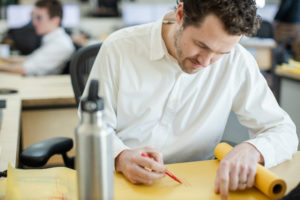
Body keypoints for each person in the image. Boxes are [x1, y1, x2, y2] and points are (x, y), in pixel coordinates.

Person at [83, 0, 298, 199]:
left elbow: (283, 130)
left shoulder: (237, 61)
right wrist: (120, 156)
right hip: (121, 184)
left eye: (221, 52)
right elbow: (93, 127)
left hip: (197, 187)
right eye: (201, 45)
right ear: (180, 15)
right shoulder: (120, 48)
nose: (205, 62)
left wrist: (254, 150)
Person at [0, 0, 75, 76]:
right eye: (34, 18)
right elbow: (30, 59)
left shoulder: (60, 44)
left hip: (40, 84)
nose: (34, 22)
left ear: (55, 20)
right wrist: (4, 59)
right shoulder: (52, 39)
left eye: (39, 18)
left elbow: (24, 69)